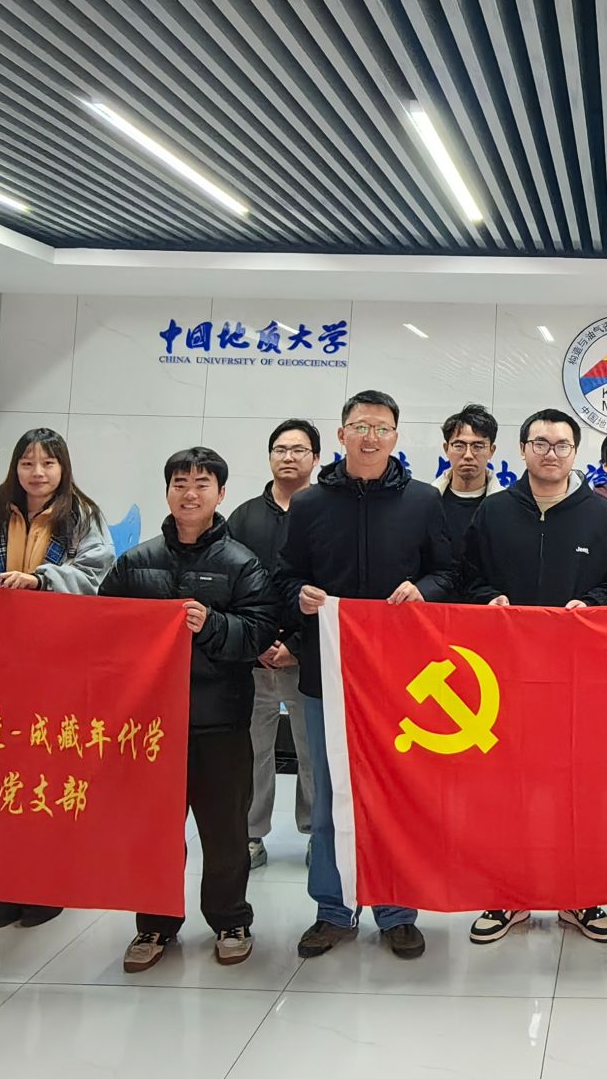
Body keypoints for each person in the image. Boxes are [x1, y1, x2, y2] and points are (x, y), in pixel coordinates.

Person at [277, 391, 454, 962]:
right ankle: (333, 909)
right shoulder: (309, 504)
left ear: (396, 437)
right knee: (331, 795)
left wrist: (422, 590)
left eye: (381, 428)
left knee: (397, 794)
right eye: (360, 426)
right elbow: (283, 576)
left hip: (403, 679)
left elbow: (450, 574)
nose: (370, 437)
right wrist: (299, 595)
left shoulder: (424, 501)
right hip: (326, 675)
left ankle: (397, 910)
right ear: (341, 434)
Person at [458, 408, 607, 946]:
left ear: (575, 453)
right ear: (522, 450)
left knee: (578, 791)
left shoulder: (598, 515)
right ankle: (508, 896)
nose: (551, 453)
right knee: (507, 790)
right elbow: (465, 577)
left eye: (561, 445)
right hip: (504, 678)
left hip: (578, 679)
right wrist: (489, 598)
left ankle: (580, 896)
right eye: (540, 443)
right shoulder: (493, 513)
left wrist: (592, 604)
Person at [106, 448, 278, 971]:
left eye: (202, 483)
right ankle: (154, 924)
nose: (190, 492)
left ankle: (230, 919)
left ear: (221, 494)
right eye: (180, 482)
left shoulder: (241, 563)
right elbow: (105, 628)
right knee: (153, 831)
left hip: (220, 719)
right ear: (167, 492)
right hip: (151, 723)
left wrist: (213, 625)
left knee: (225, 832)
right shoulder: (136, 562)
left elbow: (260, 632)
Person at [0, 427, 113, 928]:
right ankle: (8, 881)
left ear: (63, 468)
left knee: (50, 774)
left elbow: (97, 574)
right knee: (1, 772)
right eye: (27, 463)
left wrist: (41, 580)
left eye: (47, 463)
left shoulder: (82, 514)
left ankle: (49, 882)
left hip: (58, 661)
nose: (37, 473)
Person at [227, 418, 320, 871]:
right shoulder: (243, 517)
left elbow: (331, 584)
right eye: (280, 449)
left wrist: (296, 645)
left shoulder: (325, 512)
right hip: (254, 657)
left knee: (312, 751)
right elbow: (230, 584)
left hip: (308, 656)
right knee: (252, 751)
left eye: (299, 450)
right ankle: (250, 835)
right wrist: (258, 642)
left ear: (315, 459)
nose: (288, 457)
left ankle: (317, 833)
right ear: (269, 457)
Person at [435, 403, 503, 553]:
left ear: (491, 451)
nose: (468, 455)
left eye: (478, 446)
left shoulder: (507, 507)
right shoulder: (426, 503)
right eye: (459, 445)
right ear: (446, 449)